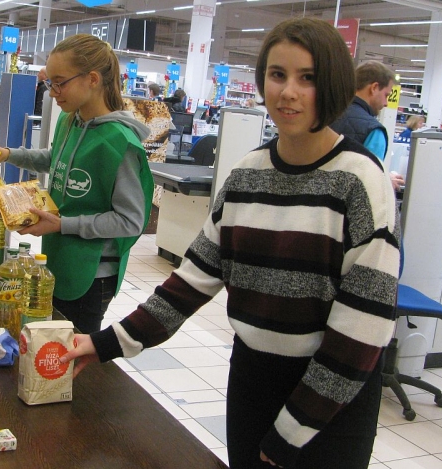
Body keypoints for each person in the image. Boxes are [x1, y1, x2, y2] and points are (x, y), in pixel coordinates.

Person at [61, 17, 400, 469]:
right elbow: (189, 284)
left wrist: (291, 433)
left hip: (331, 402)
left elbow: (362, 333)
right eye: (277, 75)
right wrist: (103, 344)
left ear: (334, 84)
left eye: (308, 78)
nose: (287, 92)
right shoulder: (247, 175)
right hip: (252, 380)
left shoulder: (361, 183)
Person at [0, 34, 154, 334]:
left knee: (71, 359)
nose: (52, 93)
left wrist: (62, 225)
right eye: (49, 83)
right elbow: (55, 157)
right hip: (57, 259)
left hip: (92, 275)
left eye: (59, 82)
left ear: (93, 79)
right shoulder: (70, 121)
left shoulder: (119, 144)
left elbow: (130, 221)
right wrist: (7, 154)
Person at [330, 61, 404, 190]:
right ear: (374, 88)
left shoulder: (326, 114)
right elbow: (368, 184)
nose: (386, 103)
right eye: (386, 95)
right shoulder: (374, 131)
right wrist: (384, 181)